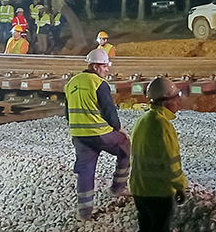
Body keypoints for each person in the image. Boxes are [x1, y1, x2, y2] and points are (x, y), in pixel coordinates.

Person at [66, 49, 130, 220]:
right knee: (125, 146)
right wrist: (119, 129)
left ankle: (84, 213)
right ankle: (118, 188)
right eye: (104, 66)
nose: (107, 69)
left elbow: (67, 113)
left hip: (79, 135)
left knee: (86, 171)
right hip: (99, 133)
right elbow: (110, 112)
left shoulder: (71, 83)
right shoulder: (99, 83)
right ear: (95, 66)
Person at [131, 76, 189, 232]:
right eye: (175, 98)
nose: (178, 101)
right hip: (158, 192)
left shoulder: (141, 121)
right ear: (165, 102)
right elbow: (172, 162)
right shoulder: (163, 125)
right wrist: (180, 187)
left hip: (139, 189)